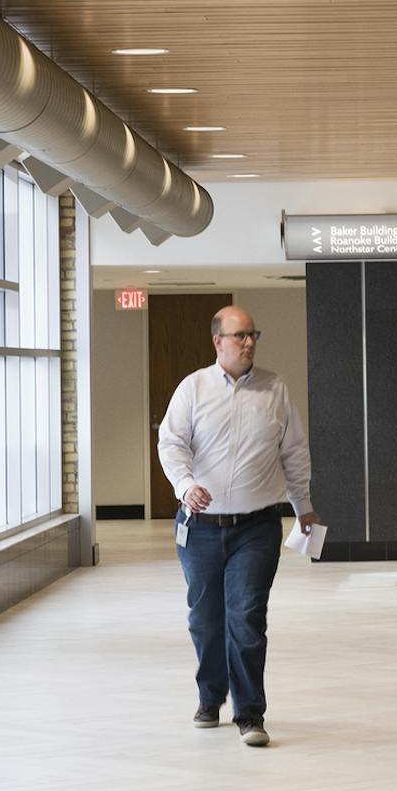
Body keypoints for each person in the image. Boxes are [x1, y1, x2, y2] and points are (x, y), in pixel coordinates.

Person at [157, 305, 318, 748]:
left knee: (247, 618)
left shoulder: (274, 389)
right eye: (239, 336)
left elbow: (294, 452)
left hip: (256, 526)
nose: (248, 343)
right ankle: (210, 696)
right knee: (205, 620)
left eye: (253, 335)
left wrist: (303, 505)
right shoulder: (193, 388)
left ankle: (250, 712)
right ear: (218, 342)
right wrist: (185, 485)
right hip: (201, 528)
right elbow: (171, 443)